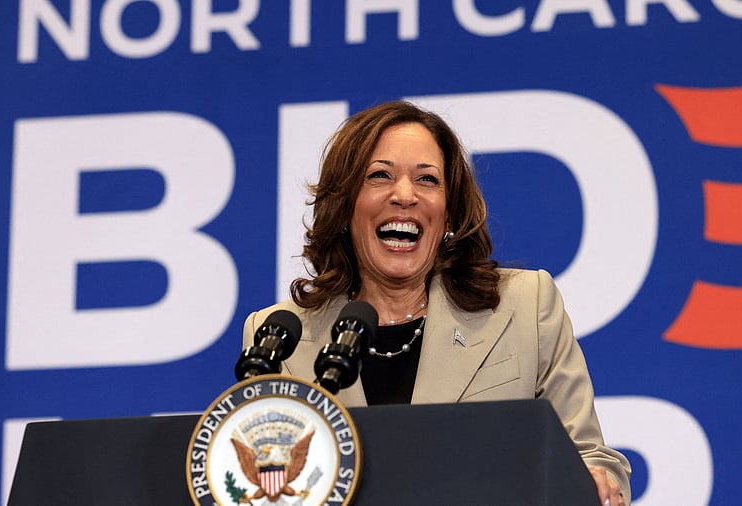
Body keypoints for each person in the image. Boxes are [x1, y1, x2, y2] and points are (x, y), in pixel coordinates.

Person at [243, 100, 631, 505]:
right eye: (380, 175)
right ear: (344, 207)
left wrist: (593, 479)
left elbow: (591, 458)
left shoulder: (525, 306)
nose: (404, 195)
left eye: (427, 180)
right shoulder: (280, 338)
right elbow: (261, 483)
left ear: (448, 214)